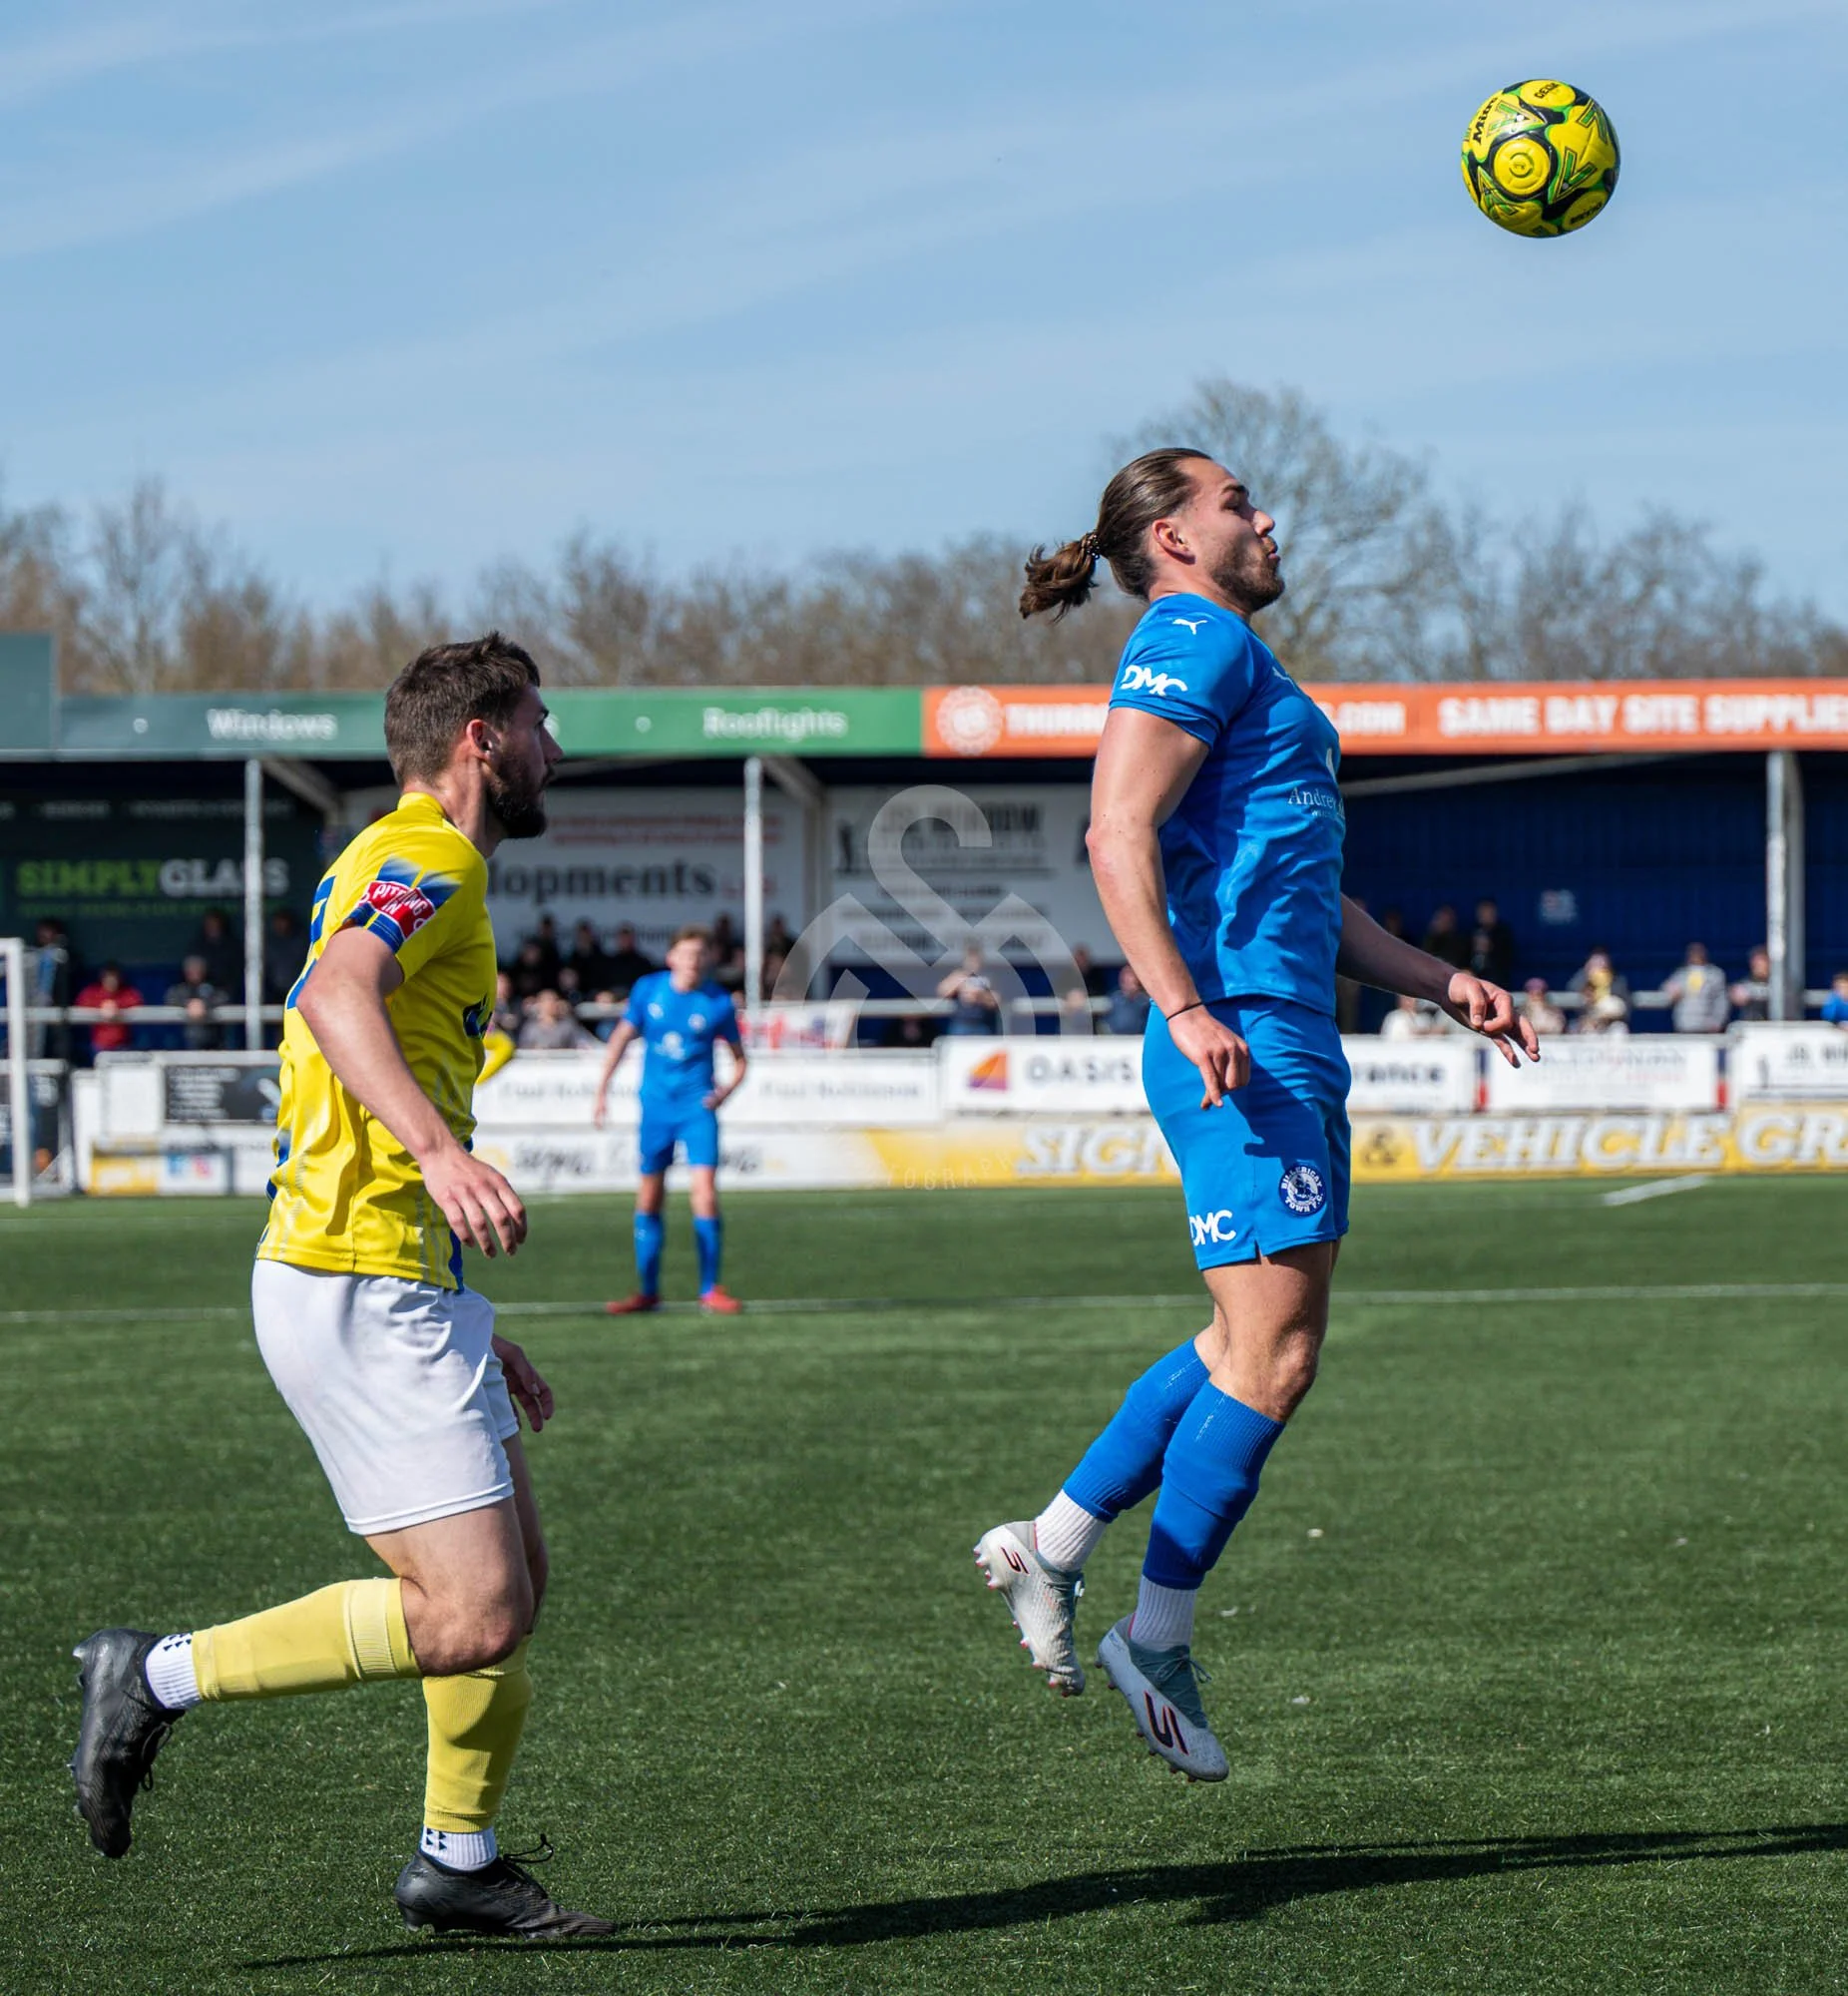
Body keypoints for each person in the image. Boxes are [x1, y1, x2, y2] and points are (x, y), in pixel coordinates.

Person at [976, 447, 1535, 1780]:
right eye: (1239, 504)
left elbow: (1311, 898)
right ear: (1174, 537)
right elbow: (1114, 838)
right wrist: (1184, 1007)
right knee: (1276, 1354)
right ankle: (1153, 1633)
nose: (1268, 518)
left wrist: (1442, 980)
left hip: (1280, 1026)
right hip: (1236, 1034)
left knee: (1244, 1334)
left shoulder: (1245, 665)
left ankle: (1049, 1548)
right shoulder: (1186, 641)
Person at [67, 634, 611, 1937]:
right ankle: (157, 1675)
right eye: (538, 721)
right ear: (480, 733)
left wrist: (475, 1315)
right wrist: (442, 1150)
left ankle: (460, 1859)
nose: (555, 747)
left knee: (511, 1588)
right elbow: (334, 992)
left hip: (395, 1275)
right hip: (352, 1277)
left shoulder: (406, 856)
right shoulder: (425, 852)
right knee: (469, 1612)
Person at [592, 925, 747, 1315]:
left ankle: (710, 1289)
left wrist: (723, 1093)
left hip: (697, 1111)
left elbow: (741, 1060)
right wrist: (601, 1091)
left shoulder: (718, 1002)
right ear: (672, 957)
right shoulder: (649, 990)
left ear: (708, 959)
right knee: (649, 1196)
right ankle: (647, 1290)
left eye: (700, 954)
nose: (693, 960)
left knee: (706, 1195)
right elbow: (621, 1039)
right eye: (687, 953)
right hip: (655, 1109)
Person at [75, 963, 144, 1060]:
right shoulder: (92, 992)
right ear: (102, 978)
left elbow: (138, 1003)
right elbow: (80, 1006)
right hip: (100, 1046)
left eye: (114, 978)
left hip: (123, 1045)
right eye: (108, 977)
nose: (111, 981)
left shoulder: (128, 993)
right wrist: (101, 1007)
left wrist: (118, 1007)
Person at [1662, 942, 1730, 1034]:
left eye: (1699, 952)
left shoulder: (1715, 975)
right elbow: (1667, 991)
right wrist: (1669, 991)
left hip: (1707, 1027)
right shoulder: (1681, 974)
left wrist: (1718, 1021)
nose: (1696, 955)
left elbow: (1721, 1001)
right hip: (1684, 1026)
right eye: (1693, 952)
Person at [164, 954, 226, 1052]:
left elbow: (223, 998)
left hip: (213, 1042)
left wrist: (204, 1004)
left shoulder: (214, 988)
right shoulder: (179, 990)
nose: (195, 972)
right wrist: (188, 1004)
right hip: (184, 1044)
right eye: (191, 969)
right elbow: (170, 999)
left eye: (198, 968)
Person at [938, 944, 1002, 1035]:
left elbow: (997, 1000)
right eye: (970, 960)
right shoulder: (958, 976)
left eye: (975, 961)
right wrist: (958, 984)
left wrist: (980, 995)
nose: (973, 964)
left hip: (983, 1024)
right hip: (962, 1024)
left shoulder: (987, 977)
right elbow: (942, 992)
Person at [1570, 948, 1629, 1034]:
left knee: (1619, 1029)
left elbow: (1624, 1006)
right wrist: (1588, 978)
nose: (1600, 966)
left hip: (1610, 1021)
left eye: (1602, 963)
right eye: (1596, 963)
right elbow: (1573, 990)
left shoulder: (1617, 981)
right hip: (1587, 1021)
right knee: (1586, 1030)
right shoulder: (1582, 980)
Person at [518, 988, 595, 1051]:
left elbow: (581, 1043)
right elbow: (523, 1047)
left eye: (554, 1000)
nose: (551, 1004)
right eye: (547, 1001)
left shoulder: (567, 1026)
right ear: (540, 1004)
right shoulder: (530, 1028)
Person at [192, 908, 241, 995]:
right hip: (202, 986)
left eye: (214, 923)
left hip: (226, 986)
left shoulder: (232, 945)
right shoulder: (199, 945)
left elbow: (235, 970)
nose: (211, 927)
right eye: (208, 924)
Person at [1471, 898, 1516, 989]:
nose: (1485, 915)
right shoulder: (1472, 931)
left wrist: (1490, 947)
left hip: (1496, 977)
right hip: (1474, 976)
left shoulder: (1503, 932)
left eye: (1488, 912)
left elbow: (1507, 957)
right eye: (1482, 912)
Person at [604, 924, 655, 999]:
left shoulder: (642, 963)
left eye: (627, 938)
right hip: (612, 1002)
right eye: (622, 938)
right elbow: (602, 987)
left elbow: (648, 986)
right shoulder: (609, 963)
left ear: (633, 940)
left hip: (635, 999)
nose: (625, 941)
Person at [1104, 964, 1152, 1036]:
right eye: (1125, 978)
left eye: (1131, 977)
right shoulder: (1114, 998)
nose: (1128, 981)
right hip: (1115, 1040)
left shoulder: (1144, 1001)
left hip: (1138, 1039)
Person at [1421, 904, 1470, 970]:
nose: (1442, 923)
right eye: (1439, 919)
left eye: (1446, 921)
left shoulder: (1458, 944)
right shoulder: (1428, 940)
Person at [1730, 946, 1772, 1023]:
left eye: (1763, 964)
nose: (1759, 968)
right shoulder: (1745, 983)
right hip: (1750, 1025)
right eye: (1756, 965)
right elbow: (1736, 996)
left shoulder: (1780, 985)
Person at [1378, 993, 1446, 1039]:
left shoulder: (1424, 1018)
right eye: (1405, 999)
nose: (1408, 1001)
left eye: (1411, 999)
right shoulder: (1393, 1017)